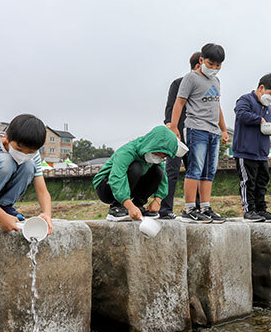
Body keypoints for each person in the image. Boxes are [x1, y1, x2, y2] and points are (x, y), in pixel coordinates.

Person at [170, 43, 229, 223]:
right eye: (211, 64)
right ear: (202, 60)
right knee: (195, 169)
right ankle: (189, 208)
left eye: (218, 66)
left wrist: (224, 129)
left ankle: (205, 206)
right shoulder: (191, 78)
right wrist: (174, 126)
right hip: (196, 128)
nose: (214, 69)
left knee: (209, 171)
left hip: (213, 131)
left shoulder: (216, 81)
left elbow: (216, 106)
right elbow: (179, 103)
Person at [0, 114, 53, 235]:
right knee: (7, 162)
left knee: (29, 165)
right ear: (7, 138)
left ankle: (5, 205)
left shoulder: (33, 155)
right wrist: (1, 217)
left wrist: (47, 214)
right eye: (19, 149)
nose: (25, 154)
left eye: (31, 151)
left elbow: (42, 190)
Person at [93, 126, 188, 221]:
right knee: (136, 168)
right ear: (152, 146)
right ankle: (117, 208)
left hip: (127, 187)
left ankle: (138, 206)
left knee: (158, 171)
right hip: (105, 186)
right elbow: (116, 177)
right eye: (157, 154)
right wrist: (129, 206)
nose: (159, 158)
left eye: (163, 157)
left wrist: (158, 200)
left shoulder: (154, 159)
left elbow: (163, 179)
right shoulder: (127, 151)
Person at [233, 73, 271, 222]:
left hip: (261, 152)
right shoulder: (245, 100)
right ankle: (249, 210)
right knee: (248, 181)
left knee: (262, 181)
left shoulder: (269, 108)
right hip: (245, 150)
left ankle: (261, 209)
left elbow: (270, 123)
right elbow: (241, 114)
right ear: (261, 88)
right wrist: (259, 119)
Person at [160, 51, 201, 219]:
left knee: (196, 171)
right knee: (172, 171)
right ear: (198, 65)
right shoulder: (178, 83)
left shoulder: (204, 86)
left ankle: (196, 208)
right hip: (178, 134)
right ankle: (165, 209)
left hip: (196, 134)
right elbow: (170, 109)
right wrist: (172, 129)